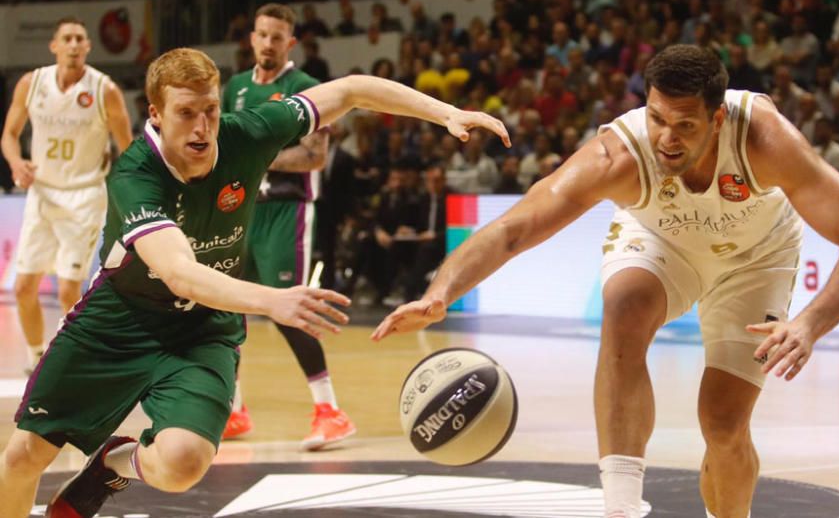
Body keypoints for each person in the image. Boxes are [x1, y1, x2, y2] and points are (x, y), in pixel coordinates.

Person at [373, 45, 839, 518]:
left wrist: (807, 326)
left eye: (685, 125)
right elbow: (515, 228)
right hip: (661, 240)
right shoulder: (619, 154)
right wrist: (439, 293)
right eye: (657, 118)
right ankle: (621, 508)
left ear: (717, 117)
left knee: (723, 424)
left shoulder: (765, 138)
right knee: (623, 310)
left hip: (757, 258)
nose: (667, 137)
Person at [0, 47, 509, 518]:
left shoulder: (248, 133)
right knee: (24, 455)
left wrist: (445, 112)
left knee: (182, 463)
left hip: (201, 332)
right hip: (118, 321)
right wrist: (274, 301)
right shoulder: (136, 175)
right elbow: (179, 273)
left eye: (211, 111)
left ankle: (114, 465)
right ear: (155, 113)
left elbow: (351, 90)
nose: (202, 128)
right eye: (185, 113)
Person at [218, 4, 338, 449]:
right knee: (223, 308)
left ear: (290, 43)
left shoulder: (305, 88)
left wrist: (256, 159)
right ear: (251, 38)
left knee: (289, 310)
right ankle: (233, 411)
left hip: (287, 210)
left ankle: (330, 411)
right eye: (262, 34)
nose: (268, 43)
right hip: (242, 210)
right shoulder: (235, 87)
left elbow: (315, 156)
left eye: (277, 36)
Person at [1, 18, 133, 375]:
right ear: (54, 46)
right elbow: (9, 136)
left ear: (88, 47)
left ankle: (76, 361)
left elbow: (129, 147)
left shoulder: (104, 89)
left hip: (84, 196)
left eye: (80, 39)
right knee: (25, 286)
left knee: (68, 290)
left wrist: (126, 191)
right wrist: (17, 163)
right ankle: (34, 358)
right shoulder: (32, 83)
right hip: (42, 194)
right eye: (67, 39)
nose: (74, 45)